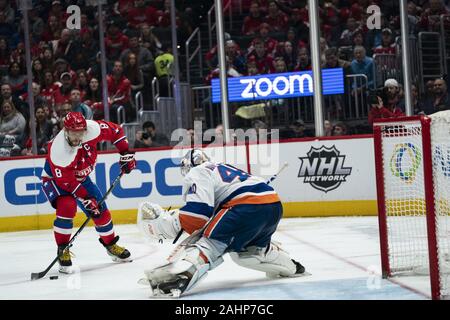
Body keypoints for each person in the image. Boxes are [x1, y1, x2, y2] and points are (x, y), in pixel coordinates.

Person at [138, 149, 305, 297]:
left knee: (209, 245)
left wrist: (170, 224)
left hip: (245, 207)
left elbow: (197, 216)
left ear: (187, 166)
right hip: (273, 206)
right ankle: (292, 267)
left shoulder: (197, 172)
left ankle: (174, 279)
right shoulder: (221, 167)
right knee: (250, 254)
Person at [40, 112, 136, 273]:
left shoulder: (92, 129)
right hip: (56, 180)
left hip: (80, 178)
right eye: (73, 132)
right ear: (66, 130)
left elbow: (117, 131)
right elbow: (67, 182)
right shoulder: (59, 151)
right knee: (67, 206)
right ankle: (62, 249)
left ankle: (111, 245)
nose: (78, 136)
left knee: (101, 213)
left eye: (81, 132)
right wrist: (86, 198)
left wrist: (125, 154)